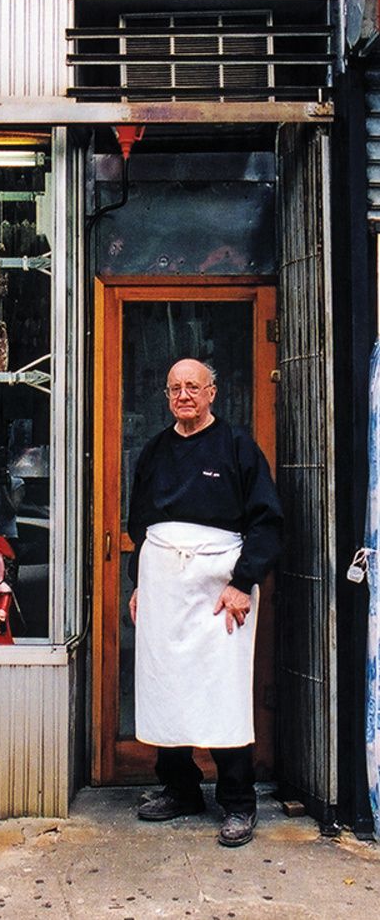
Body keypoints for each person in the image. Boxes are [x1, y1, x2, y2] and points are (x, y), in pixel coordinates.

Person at [127, 358, 283, 848]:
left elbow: (266, 521)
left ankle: (238, 803)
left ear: (212, 392)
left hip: (222, 590)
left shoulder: (237, 447)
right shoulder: (154, 450)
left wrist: (243, 581)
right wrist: (139, 584)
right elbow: (140, 525)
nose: (183, 395)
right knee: (165, 687)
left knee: (222, 692)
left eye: (193, 386)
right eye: (174, 388)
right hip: (164, 589)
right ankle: (180, 789)